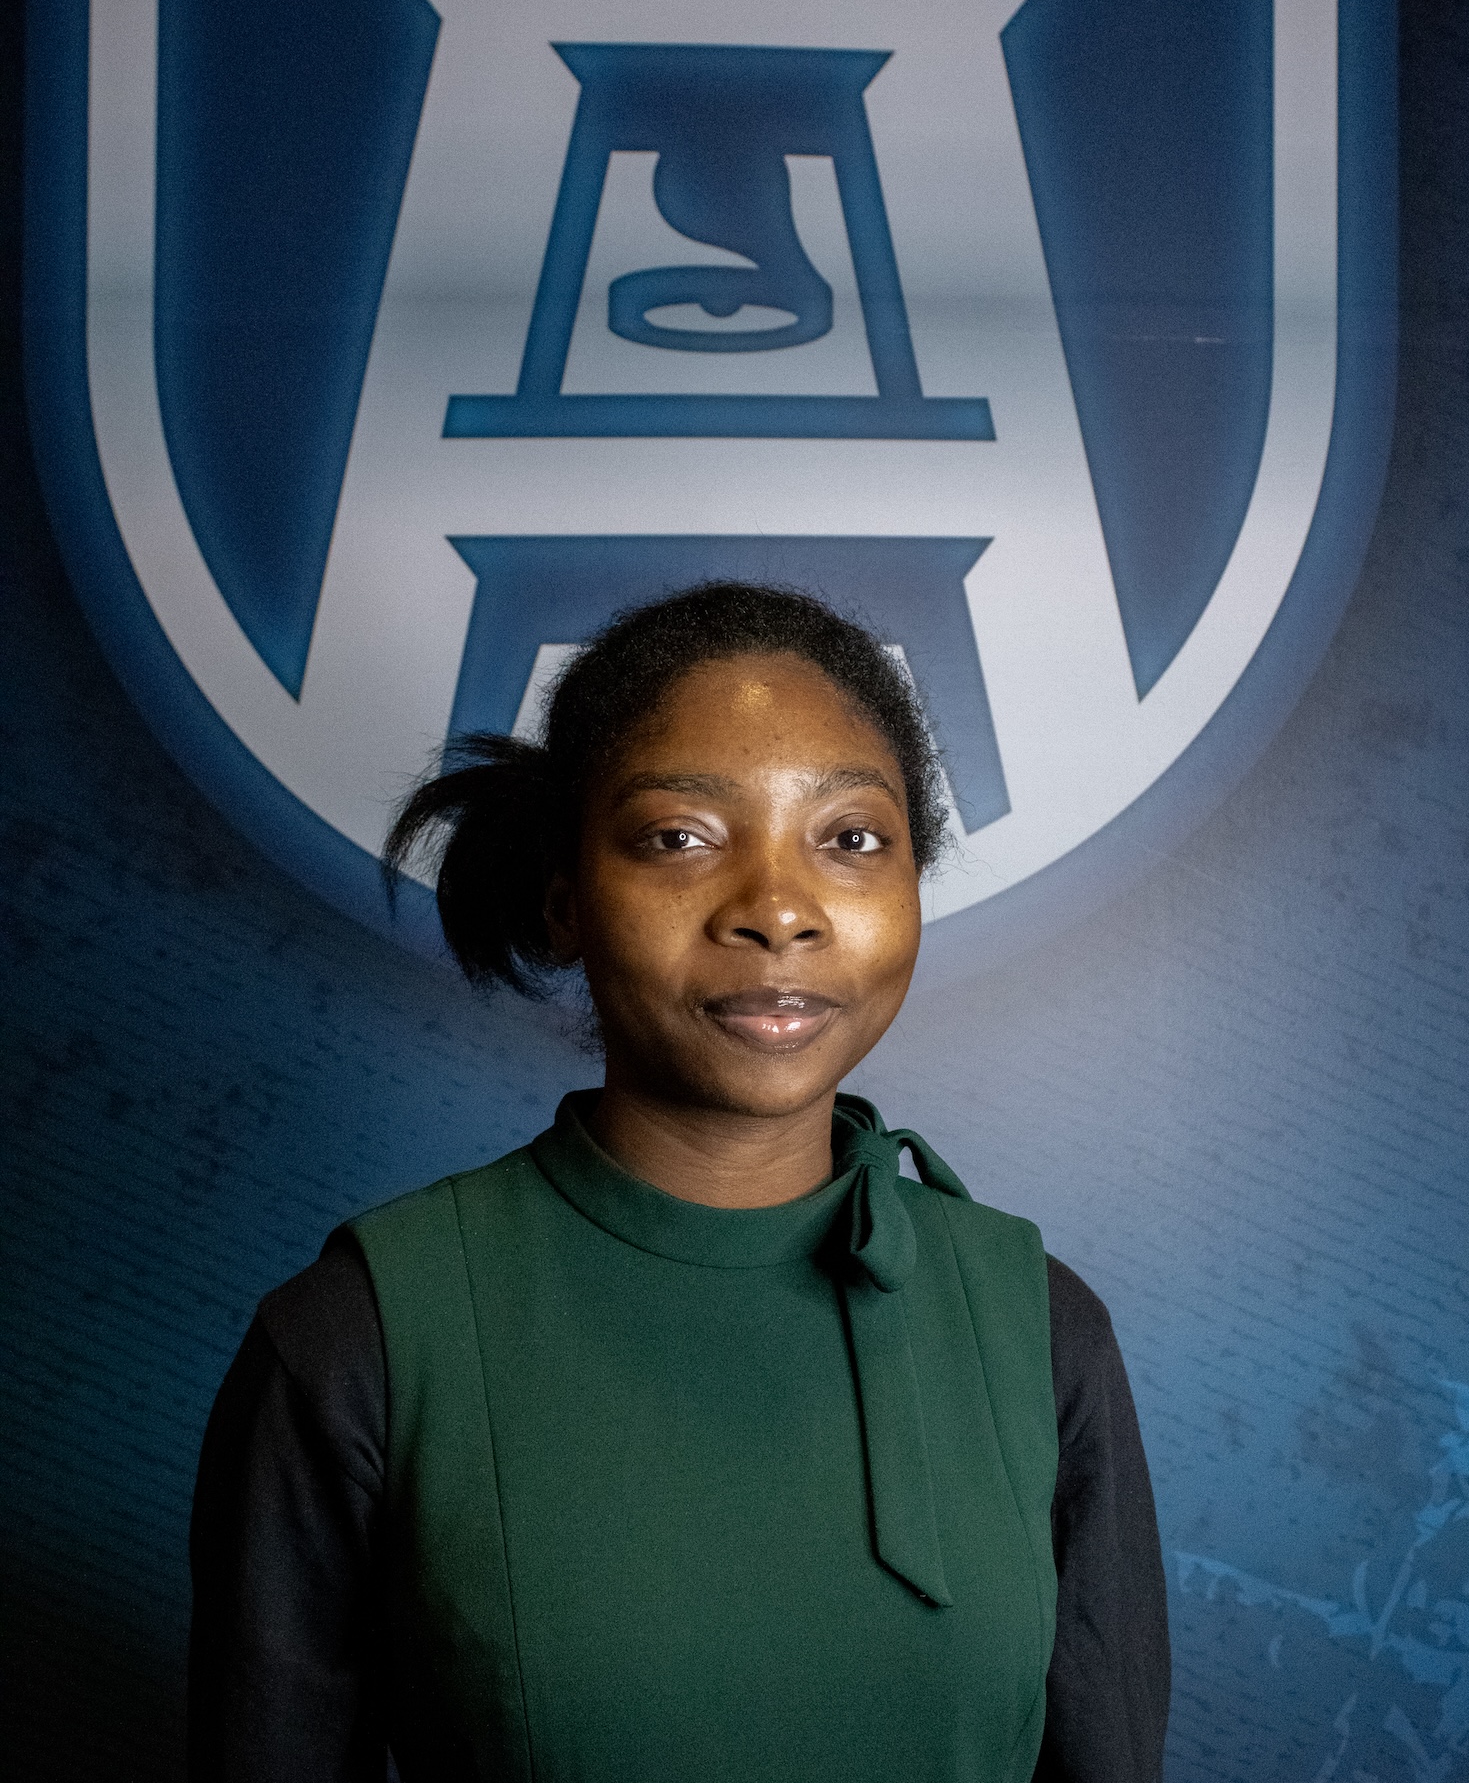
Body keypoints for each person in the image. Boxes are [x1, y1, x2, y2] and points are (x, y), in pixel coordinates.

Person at [189, 582, 1170, 1783]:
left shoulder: (1039, 1327)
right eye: (680, 838)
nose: (778, 911)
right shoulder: (363, 1335)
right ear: (566, 901)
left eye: (851, 839)